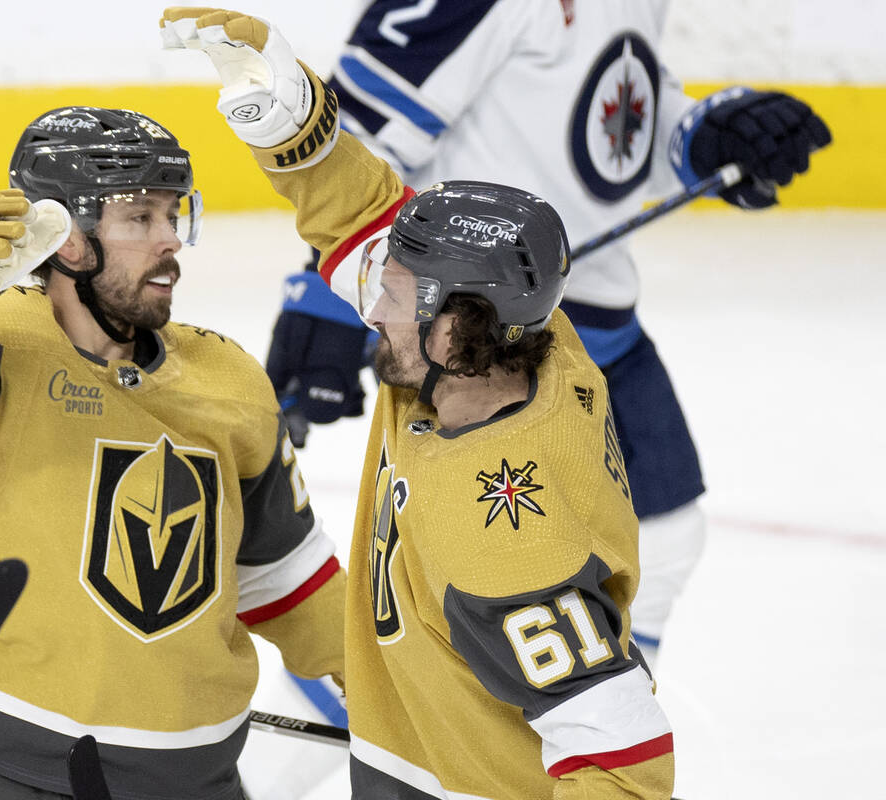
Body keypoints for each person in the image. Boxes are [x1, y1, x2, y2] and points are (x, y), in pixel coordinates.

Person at [164, 7, 675, 798]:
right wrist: (295, 119)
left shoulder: (509, 543)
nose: (369, 309)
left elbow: (628, 771)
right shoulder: (523, 338)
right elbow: (361, 213)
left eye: (395, 295)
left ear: (457, 322)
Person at [260, 0, 831, 663]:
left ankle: (567, 740)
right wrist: (328, 299)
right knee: (462, 592)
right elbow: (356, 137)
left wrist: (705, 135)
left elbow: (608, 114)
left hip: (599, 324)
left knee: (662, 538)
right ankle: (389, 737)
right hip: (488, 331)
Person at [0, 105, 346, 799]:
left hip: (191, 775)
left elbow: (287, 577)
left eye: (173, 214)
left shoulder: (230, 379)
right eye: (139, 218)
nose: (170, 242)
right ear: (65, 236)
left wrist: (402, 687)